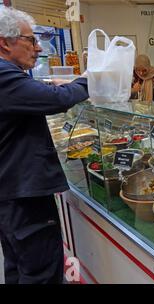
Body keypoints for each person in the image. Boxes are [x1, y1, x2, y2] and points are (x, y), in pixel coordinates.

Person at [0, 7, 89, 284]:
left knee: (19, 264)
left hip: (11, 195)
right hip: (23, 196)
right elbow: (56, 100)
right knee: (41, 272)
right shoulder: (4, 76)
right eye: (31, 40)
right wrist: (91, 79)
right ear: (5, 42)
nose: (38, 48)